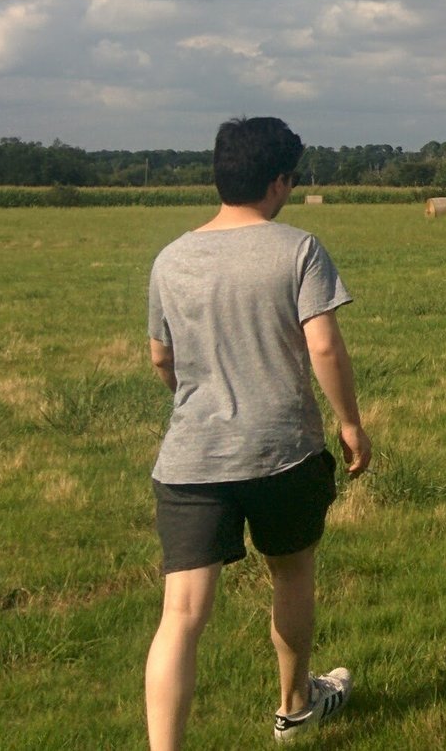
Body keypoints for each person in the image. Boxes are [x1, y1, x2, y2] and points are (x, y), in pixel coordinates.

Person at [144, 116, 370, 748]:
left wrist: (197, 403)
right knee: (292, 574)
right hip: (284, 453)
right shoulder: (297, 248)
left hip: (191, 459)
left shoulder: (171, 259)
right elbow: (322, 345)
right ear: (277, 182)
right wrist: (350, 423)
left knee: (181, 615)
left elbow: (162, 359)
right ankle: (295, 709)